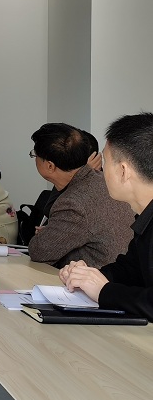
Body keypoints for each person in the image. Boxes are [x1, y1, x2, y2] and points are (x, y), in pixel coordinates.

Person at [61, 112, 153, 321]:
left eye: (105, 161)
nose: (101, 172)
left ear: (123, 171)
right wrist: (88, 277)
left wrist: (103, 291)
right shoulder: (145, 217)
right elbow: (131, 270)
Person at [27, 123, 133, 268]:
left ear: (50, 166)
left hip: (96, 277)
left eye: (35, 155)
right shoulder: (102, 181)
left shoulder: (73, 202)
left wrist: (47, 235)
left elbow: (39, 251)